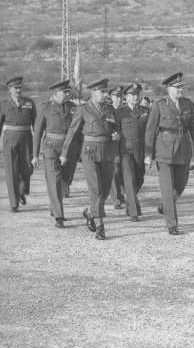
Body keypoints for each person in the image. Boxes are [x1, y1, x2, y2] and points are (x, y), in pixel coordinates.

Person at [144, 72, 194, 235]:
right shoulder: (159, 105)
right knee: (167, 187)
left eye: (181, 87)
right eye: (177, 88)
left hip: (183, 148)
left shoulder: (187, 104)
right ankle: (172, 224)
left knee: (181, 184)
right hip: (164, 150)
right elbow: (150, 130)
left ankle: (166, 205)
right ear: (169, 89)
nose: (180, 90)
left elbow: (193, 127)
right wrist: (148, 153)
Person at [61, 78, 121, 240]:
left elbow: (116, 127)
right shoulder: (83, 109)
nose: (105, 94)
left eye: (106, 92)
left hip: (107, 151)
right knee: (96, 189)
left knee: (105, 189)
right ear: (93, 92)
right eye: (103, 92)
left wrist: (117, 134)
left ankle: (90, 212)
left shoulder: (110, 108)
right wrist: (65, 153)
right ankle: (100, 225)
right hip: (89, 152)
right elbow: (72, 132)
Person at [31, 79, 78, 227]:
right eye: (65, 92)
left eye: (69, 92)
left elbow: (79, 129)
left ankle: (55, 206)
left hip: (69, 148)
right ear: (55, 93)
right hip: (51, 147)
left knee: (65, 179)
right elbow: (37, 132)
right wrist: (35, 155)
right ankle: (59, 216)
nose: (68, 94)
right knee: (54, 179)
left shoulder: (73, 107)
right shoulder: (45, 108)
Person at [0, 76, 36, 212]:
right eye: (16, 88)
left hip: (27, 139)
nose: (19, 90)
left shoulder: (29, 103)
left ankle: (21, 190)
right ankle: (14, 204)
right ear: (10, 89)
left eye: (20, 88)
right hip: (10, 138)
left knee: (28, 168)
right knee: (12, 171)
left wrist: (38, 141)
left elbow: (36, 124)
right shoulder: (4, 104)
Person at [116, 83, 149, 222]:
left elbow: (150, 132)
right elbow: (116, 131)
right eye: (132, 94)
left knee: (139, 179)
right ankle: (134, 212)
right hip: (125, 149)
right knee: (129, 178)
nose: (135, 97)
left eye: (137, 94)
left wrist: (149, 153)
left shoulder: (147, 111)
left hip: (141, 149)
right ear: (127, 97)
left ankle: (129, 200)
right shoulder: (119, 112)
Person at [108, 85, 126, 209]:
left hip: (125, 144)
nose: (119, 99)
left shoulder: (126, 111)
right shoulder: (108, 111)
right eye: (116, 97)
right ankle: (116, 199)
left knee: (123, 170)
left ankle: (122, 194)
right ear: (111, 97)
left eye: (120, 97)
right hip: (113, 143)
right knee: (114, 171)